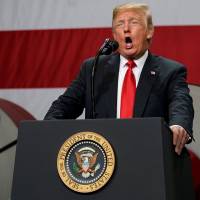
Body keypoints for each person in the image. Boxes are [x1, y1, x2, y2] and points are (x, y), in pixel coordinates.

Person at [44, 3, 195, 198]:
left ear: (149, 31)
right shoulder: (94, 68)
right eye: (120, 24)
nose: (126, 28)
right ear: (114, 34)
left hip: (149, 169)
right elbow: (64, 106)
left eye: (134, 22)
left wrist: (178, 125)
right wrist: (48, 133)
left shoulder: (170, 71)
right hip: (100, 173)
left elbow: (180, 102)